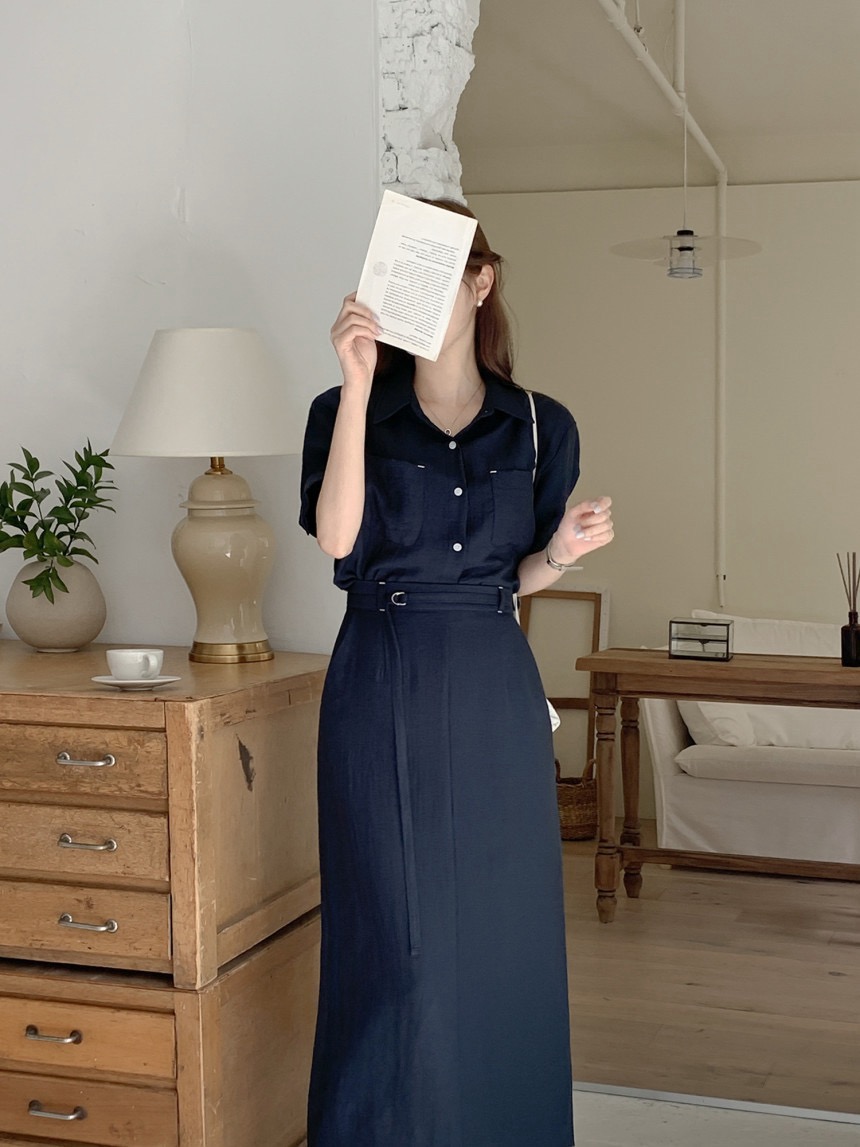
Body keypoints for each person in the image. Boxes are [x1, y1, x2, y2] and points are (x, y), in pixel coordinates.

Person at [299, 199, 614, 1147]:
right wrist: (358, 384)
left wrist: (560, 551)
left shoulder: (539, 425)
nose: (418, 293)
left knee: (499, 938)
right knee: (397, 944)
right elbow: (338, 541)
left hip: (491, 685)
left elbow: (516, 576)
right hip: (382, 677)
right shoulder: (342, 411)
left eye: (437, 271)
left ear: (480, 281)